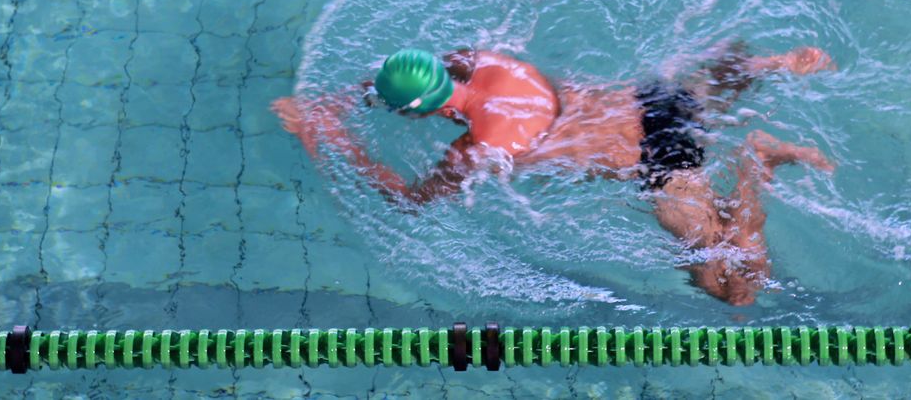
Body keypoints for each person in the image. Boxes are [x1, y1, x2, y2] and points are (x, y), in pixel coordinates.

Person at [273, 44, 836, 306]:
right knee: (708, 82)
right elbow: (421, 74)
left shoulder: (480, 145)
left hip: (661, 167)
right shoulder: (485, 61)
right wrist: (352, 95)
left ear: (421, 112)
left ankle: (755, 162)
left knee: (735, 288)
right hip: (656, 101)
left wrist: (326, 133)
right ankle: (769, 65)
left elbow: (408, 200)